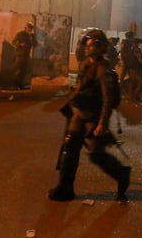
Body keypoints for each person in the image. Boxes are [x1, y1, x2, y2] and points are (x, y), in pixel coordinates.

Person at [49, 28, 131, 203]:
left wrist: (102, 123)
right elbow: (81, 86)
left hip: (94, 117)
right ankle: (65, 188)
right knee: (70, 149)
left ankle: (122, 174)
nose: (88, 47)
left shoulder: (104, 70)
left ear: (100, 47)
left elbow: (108, 100)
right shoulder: (86, 64)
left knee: (97, 154)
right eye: (87, 44)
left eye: (92, 45)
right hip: (79, 114)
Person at [11, 22, 36, 89]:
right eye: (29, 28)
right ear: (26, 28)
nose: (30, 30)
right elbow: (13, 42)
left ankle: (21, 85)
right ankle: (15, 86)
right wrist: (20, 44)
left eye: (31, 29)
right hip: (20, 55)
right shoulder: (20, 34)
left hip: (26, 56)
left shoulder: (32, 36)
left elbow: (35, 44)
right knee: (18, 71)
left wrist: (31, 38)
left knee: (24, 71)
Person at [126, 38, 142, 103]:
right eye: (137, 43)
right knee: (140, 83)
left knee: (132, 83)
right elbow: (140, 59)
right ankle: (135, 96)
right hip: (136, 69)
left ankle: (133, 98)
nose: (138, 44)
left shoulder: (129, 50)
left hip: (131, 69)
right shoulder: (137, 50)